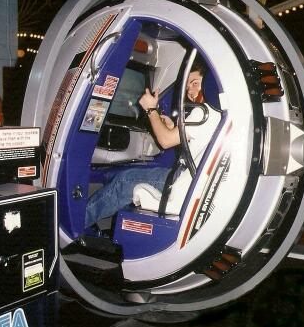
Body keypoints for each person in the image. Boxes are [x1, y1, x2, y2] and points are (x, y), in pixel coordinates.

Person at [85, 57, 220, 228]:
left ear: (209, 83)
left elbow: (164, 141)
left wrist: (150, 109)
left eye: (195, 83)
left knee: (124, 181)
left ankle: (73, 225)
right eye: (187, 87)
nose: (190, 91)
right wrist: (172, 127)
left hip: (183, 180)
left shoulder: (204, 112)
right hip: (192, 179)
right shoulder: (217, 113)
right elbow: (191, 140)